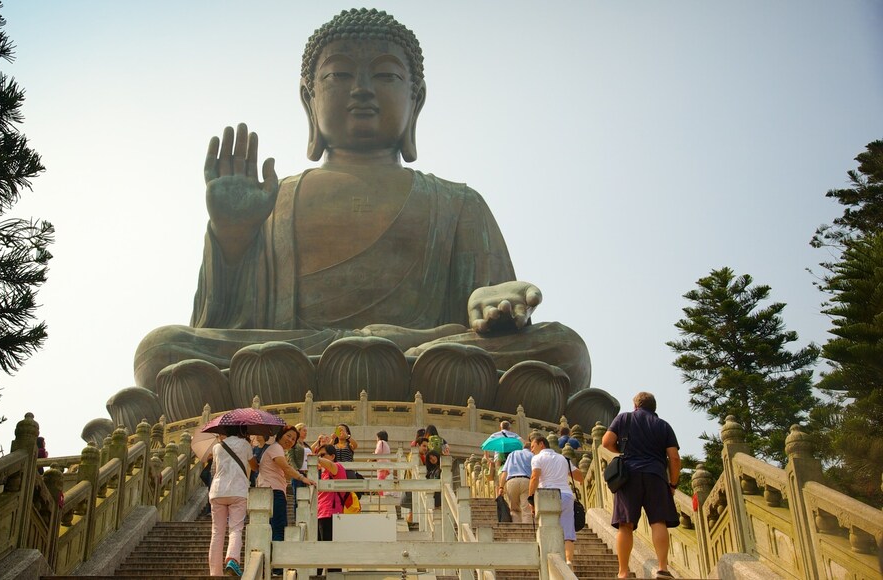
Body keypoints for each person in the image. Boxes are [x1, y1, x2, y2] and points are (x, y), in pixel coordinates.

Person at [127, 8, 612, 423]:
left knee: (565, 350)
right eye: (338, 75)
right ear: (308, 100)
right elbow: (223, 321)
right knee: (160, 350)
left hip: (427, 355)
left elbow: (494, 317)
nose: (361, 89)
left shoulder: (457, 203)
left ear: (415, 100)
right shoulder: (274, 200)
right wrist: (231, 238)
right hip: (294, 355)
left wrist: (493, 305)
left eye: (384, 75)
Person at [602, 392, 681, 579]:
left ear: (636, 405)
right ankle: (662, 568)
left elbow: (606, 442)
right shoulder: (663, 425)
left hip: (628, 475)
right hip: (656, 475)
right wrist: (673, 483)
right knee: (658, 521)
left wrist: (621, 449)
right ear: (654, 407)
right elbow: (675, 458)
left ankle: (623, 572)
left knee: (625, 525)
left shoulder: (624, 418)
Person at [256, 426, 316, 574]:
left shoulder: (275, 449)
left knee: (272, 527)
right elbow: (287, 469)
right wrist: (303, 478)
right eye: (288, 436)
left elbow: (284, 472)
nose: (290, 440)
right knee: (279, 527)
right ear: (281, 435)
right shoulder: (276, 449)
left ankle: (270, 564)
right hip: (274, 491)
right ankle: (277, 567)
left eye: (293, 439)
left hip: (268, 490)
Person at [528, 435, 583, 567]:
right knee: (568, 531)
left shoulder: (537, 458)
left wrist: (531, 499)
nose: (531, 450)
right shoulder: (563, 458)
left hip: (547, 495)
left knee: (547, 527)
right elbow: (580, 476)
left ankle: (551, 560)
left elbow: (535, 477)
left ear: (541, 444)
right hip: (566, 495)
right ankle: (568, 561)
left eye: (532, 446)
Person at [208, 428, 257, 577]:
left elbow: (214, 469)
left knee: (217, 532)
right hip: (238, 490)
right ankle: (232, 560)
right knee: (235, 528)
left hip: (217, 491)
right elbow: (254, 466)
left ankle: (215, 572)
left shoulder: (217, 447)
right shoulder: (244, 445)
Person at [498, 431, 536, 524]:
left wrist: (501, 487)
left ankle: (516, 528)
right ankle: (528, 533)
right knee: (526, 509)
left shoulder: (512, 454)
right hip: (526, 481)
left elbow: (504, 472)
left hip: (511, 482)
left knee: (514, 510)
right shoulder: (532, 455)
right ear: (531, 448)